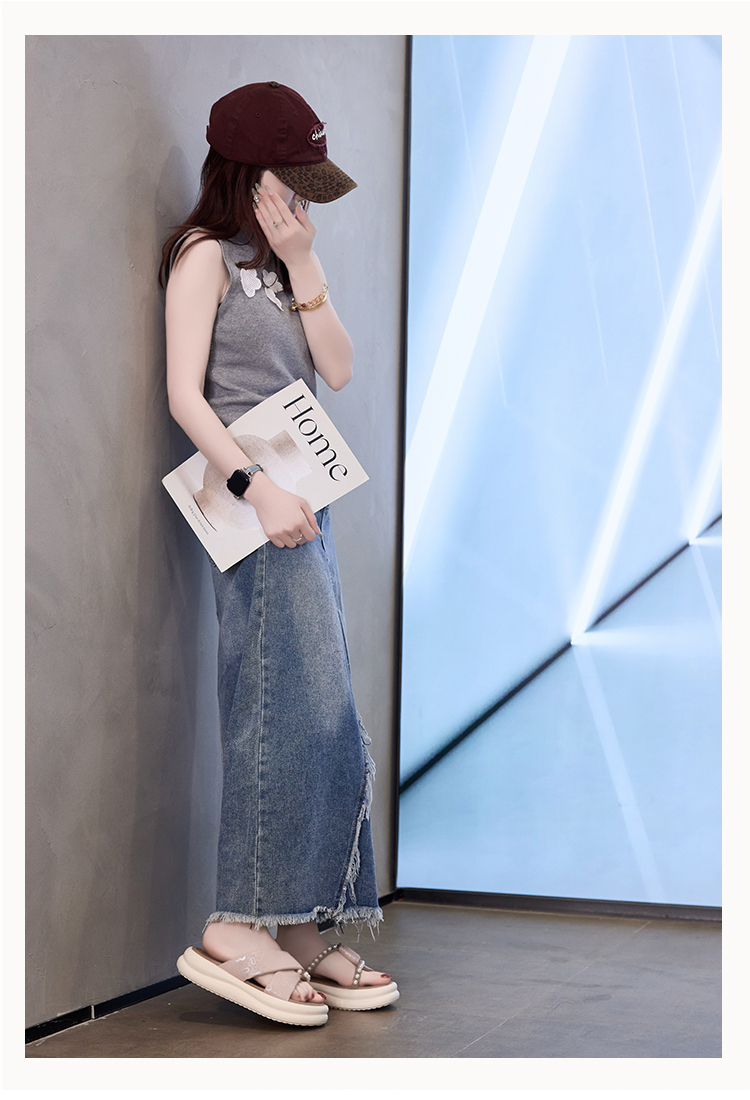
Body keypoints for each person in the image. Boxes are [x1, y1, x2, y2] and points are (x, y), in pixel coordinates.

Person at [161, 82, 398, 1027]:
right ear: (249, 173)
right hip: (254, 511)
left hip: (309, 506)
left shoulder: (285, 258)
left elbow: (336, 368)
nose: (301, 196)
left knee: (323, 713)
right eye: (291, 179)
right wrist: (254, 488)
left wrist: (303, 261)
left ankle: (299, 923)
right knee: (274, 708)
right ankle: (235, 924)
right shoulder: (202, 256)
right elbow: (185, 396)